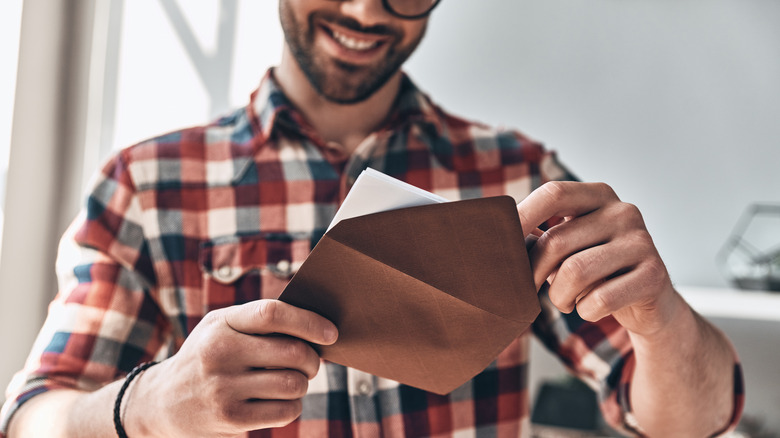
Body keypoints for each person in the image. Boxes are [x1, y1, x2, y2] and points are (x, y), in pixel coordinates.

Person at [1, 0, 743, 436]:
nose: (365, 12)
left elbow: (693, 422)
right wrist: (154, 404)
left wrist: (662, 320)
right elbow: (34, 417)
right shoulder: (146, 185)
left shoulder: (518, 177)